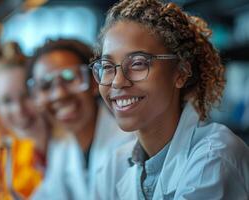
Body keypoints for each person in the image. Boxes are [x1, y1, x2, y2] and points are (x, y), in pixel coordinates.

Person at [90, 0, 249, 199]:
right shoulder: (114, 165)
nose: (117, 81)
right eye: (106, 66)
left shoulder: (215, 155)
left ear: (181, 72)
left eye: (138, 63)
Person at [28, 39, 136, 200]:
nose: (59, 94)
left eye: (70, 77)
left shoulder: (128, 143)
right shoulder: (61, 144)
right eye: (45, 85)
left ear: (94, 81)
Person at [0, 41, 50, 196]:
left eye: (26, 96)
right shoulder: (34, 152)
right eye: (7, 101)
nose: (19, 110)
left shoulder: (65, 147)